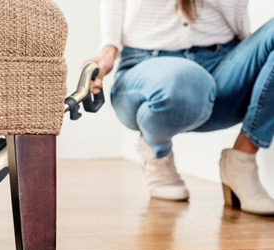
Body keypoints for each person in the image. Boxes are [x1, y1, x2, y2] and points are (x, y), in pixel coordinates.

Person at [88, 0, 274, 215]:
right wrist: (108, 51)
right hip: (146, 64)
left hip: (222, 62)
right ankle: (157, 151)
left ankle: (242, 162)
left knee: (195, 80)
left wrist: (252, 62)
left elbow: (238, 14)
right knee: (188, 80)